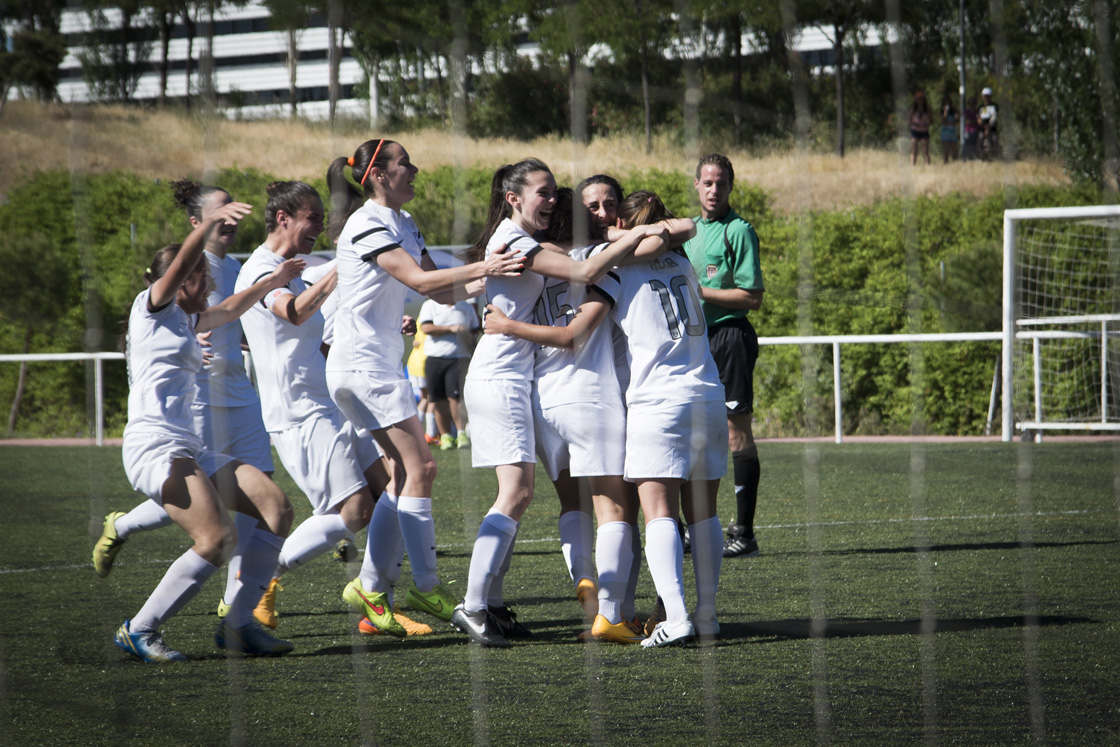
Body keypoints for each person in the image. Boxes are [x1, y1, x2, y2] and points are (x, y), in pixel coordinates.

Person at [451, 159, 654, 647]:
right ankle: (601, 612)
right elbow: (578, 297)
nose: (549, 200)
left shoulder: (537, 248)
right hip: (522, 381)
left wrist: (480, 282)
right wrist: (654, 231)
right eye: (543, 191)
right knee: (605, 507)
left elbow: (462, 285)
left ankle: (494, 605)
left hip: (533, 387)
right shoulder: (554, 250)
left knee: (538, 499)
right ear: (514, 198)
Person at [324, 138, 524, 634]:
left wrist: (495, 277)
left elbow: (442, 285)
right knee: (424, 467)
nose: (414, 168)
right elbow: (420, 283)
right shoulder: (368, 222)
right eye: (403, 163)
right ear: (376, 176)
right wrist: (487, 266)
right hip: (362, 367)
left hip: (375, 366)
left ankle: (371, 589)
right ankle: (427, 586)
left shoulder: (405, 223)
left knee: (402, 477)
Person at [482, 188, 688, 644]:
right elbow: (578, 332)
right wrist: (646, 232)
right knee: (614, 509)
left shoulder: (537, 261)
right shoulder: (603, 259)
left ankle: (585, 593)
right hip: (590, 399)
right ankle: (610, 615)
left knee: (569, 504)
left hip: (541, 399)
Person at [109, 200, 303, 662]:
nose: (211, 285)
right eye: (203, 277)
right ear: (182, 280)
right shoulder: (153, 308)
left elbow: (232, 308)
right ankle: (140, 629)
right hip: (154, 447)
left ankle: (237, 626)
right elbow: (179, 265)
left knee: (276, 509)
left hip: (189, 448)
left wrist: (272, 283)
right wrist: (211, 223)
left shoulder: (187, 319)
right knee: (216, 539)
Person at [235, 180, 431, 636]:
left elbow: (318, 339)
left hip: (335, 406)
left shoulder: (298, 269)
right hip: (299, 415)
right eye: (313, 219)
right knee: (354, 511)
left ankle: (375, 595)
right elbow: (295, 313)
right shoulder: (259, 272)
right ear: (283, 218)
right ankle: (261, 573)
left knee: (398, 482)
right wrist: (343, 266)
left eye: (323, 220)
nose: (320, 229)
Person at [611, 190, 727, 647]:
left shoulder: (617, 267)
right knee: (704, 514)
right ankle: (708, 614)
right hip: (707, 392)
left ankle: (676, 617)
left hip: (659, 400)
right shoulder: (682, 264)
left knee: (658, 512)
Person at [684, 154, 765, 560]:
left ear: (731, 187)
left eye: (722, 184)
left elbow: (752, 297)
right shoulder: (687, 231)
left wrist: (703, 294)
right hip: (693, 340)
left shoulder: (739, 231)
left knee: (736, 432)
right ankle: (693, 525)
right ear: (696, 185)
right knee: (689, 428)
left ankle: (745, 532)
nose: (714, 190)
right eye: (708, 183)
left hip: (730, 336)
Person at [417, 296, 479, 450]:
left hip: (460, 358)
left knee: (456, 398)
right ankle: (445, 436)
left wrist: (470, 336)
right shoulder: (430, 305)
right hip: (435, 358)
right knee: (437, 399)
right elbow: (426, 328)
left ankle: (461, 433)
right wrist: (450, 328)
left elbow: (475, 328)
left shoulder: (466, 306)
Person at [909, 91, 932, 166]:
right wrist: (915, 124)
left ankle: (928, 166)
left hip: (924, 131)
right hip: (914, 131)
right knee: (914, 150)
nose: (920, 100)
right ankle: (912, 165)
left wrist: (926, 124)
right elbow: (909, 120)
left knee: (925, 151)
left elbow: (931, 120)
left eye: (921, 99)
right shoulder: (913, 109)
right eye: (918, 99)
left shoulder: (927, 109)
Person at [979, 86, 999, 159]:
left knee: (995, 142)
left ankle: (995, 158)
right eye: (985, 95)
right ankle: (981, 158)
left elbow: (994, 117)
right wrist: (984, 127)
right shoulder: (980, 106)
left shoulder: (994, 106)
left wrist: (988, 128)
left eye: (988, 96)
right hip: (982, 129)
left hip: (992, 129)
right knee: (980, 143)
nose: (986, 97)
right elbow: (979, 118)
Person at [940, 96, 959, 163]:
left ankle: (956, 166)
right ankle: (946, 165)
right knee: (946, 152)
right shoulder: (942, 111)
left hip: (953, 132)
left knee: (955, 151)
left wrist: (954, 112)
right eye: (946, 102)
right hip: (945, 133)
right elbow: (943, 121)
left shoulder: (954, 110)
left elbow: (957, 120)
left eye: (948, 102)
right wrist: (945, 111)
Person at [962, 96, 981, 161]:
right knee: (967, 146)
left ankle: (974, 159)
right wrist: (975, 121)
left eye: (973, 103)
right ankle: (966, 159)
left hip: (975, 132)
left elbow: (979, 122)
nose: (972, 104)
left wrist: (972, 121)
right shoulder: (966, 111)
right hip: (968, 131)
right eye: (970, 103)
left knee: (975, 146)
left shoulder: (977, 112)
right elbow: (967, 122)